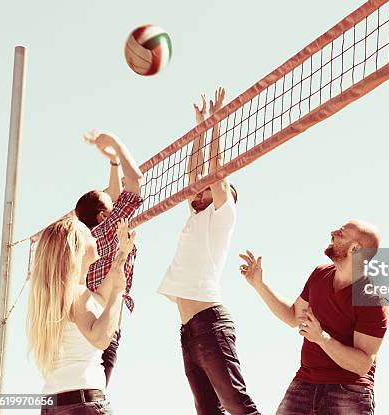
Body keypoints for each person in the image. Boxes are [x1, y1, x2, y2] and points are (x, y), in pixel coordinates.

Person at [158, 87, 260, 415]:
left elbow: (217, 173)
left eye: (213, 189)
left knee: (239, 406)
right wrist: (200, 128)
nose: (201, 187)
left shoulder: (223, 216)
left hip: (210, 324)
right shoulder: (196, 215)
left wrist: (217, 124)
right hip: (189, 331)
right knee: (208, 411)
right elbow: (195, 174)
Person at [240, 220, 389, 415]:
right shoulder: (319, 274)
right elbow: (294, 316)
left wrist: (322, 338)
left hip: (348, 392)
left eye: (341, 233)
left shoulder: (373, 300)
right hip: (304, 384)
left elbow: (362, 365)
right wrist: (259, 284)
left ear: (355, 248)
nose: (333, 232)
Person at [27, 216, 134, 414]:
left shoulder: (62, 294)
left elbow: (101, 296)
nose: (95, 236)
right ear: (78, 247)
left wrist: (122, 254)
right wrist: (119, 290)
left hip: (54, 405)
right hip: (83, 402)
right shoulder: (76, 293)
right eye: (89, 233)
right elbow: (101, 339)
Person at [74, 130, 144, 386]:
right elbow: (135, 180)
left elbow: (110, 198)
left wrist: (114, 162)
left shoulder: (87, 235)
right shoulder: (108, 229)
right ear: (105, 216)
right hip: (104, 332)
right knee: (94, 399)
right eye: (110, 208)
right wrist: (115, 140)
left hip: (86, 329)